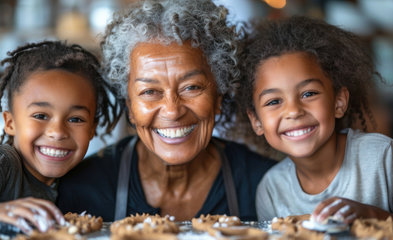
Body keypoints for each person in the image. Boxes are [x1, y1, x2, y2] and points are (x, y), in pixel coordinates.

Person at [57, 0, 276, 222]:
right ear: (130, 107)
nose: (172, 111)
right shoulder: (82, 189)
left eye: (191, 87)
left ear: (218, 97)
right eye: (150, 91)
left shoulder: (264, 183)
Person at [237, 16, 393, 223]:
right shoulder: (271, 189)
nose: (294, 111)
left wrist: (373, 215)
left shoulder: (382, 158)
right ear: (256, 122)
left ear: (338, 102)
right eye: (273, 101)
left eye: (308, 94)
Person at [0, 41, 119, 233]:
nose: (57, 132)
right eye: (40, 116)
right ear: (10, 122)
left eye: (75, 119)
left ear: (92, 129)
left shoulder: (74, 181)